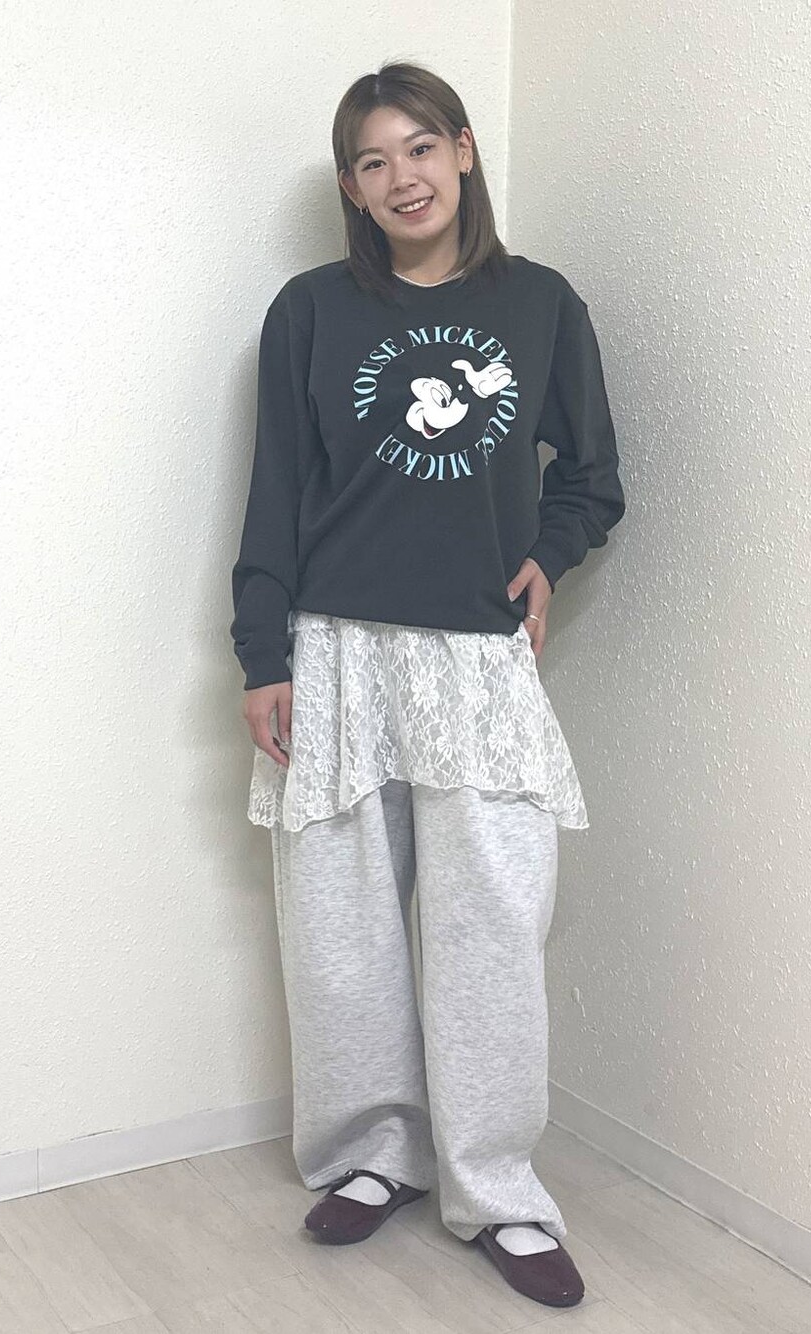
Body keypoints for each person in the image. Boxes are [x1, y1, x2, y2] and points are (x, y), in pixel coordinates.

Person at [229, 60, 625, 1309]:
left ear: (461, 150)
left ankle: (496, 1189)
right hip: (335, 646)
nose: (399, 176)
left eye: (417, 147)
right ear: (352, 187)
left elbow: (592, 476)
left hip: (474, 654)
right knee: (337, 932)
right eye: (371, 160)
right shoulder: (310, 311)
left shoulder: (540, 304)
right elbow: (275, 489)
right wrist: (262, 654)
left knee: (489, 927)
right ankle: (373, 1153)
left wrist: (548, 555)